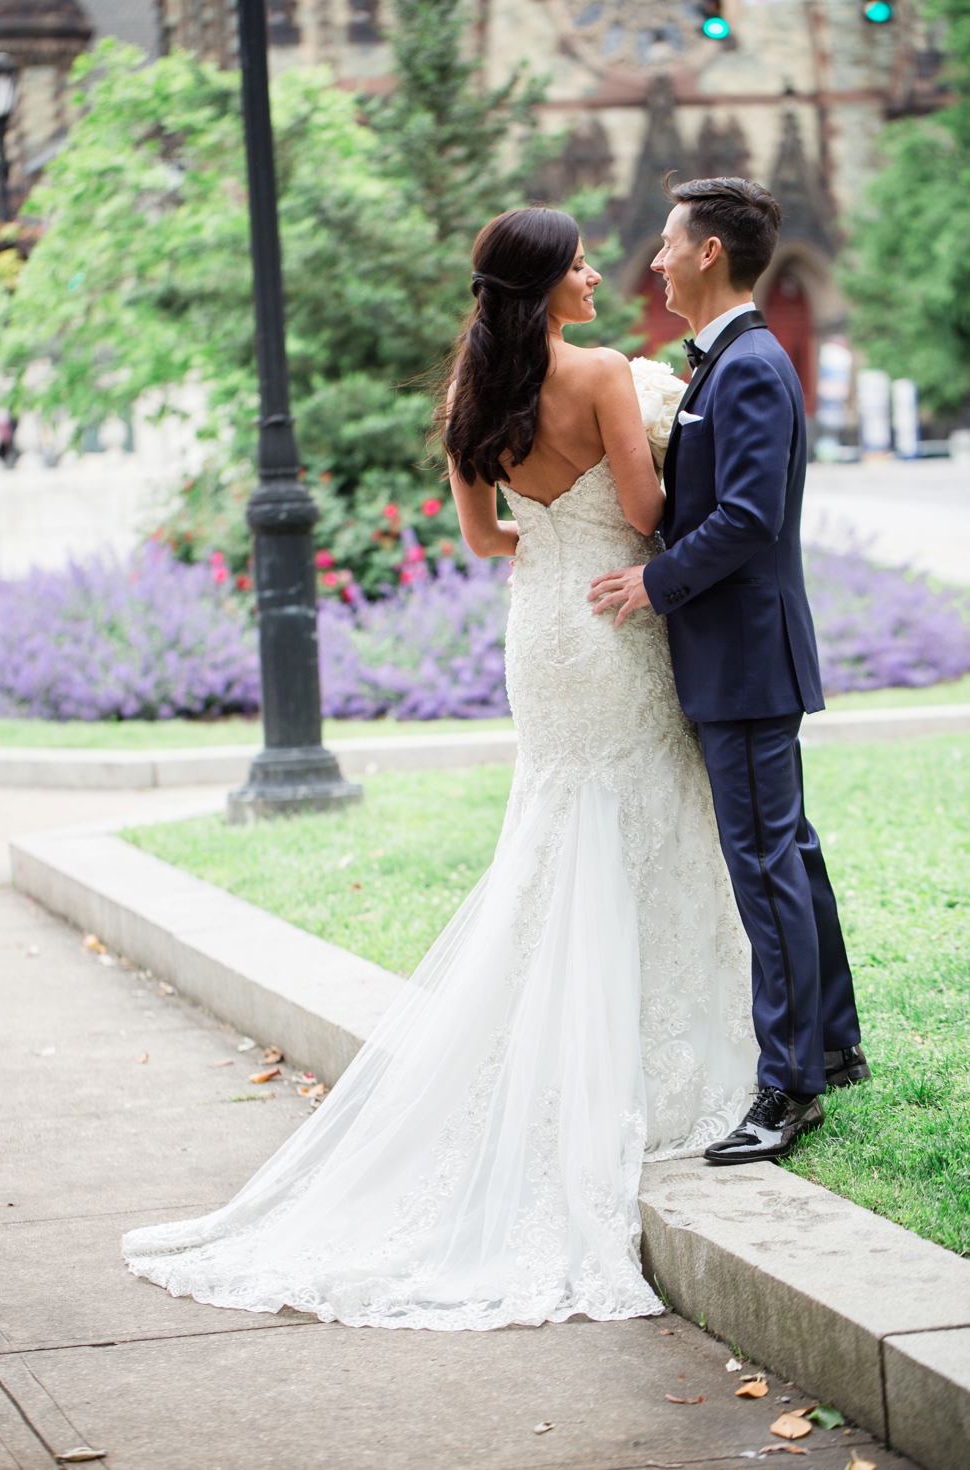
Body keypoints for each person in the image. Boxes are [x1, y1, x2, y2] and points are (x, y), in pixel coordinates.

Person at [122, 206, 758, 1330]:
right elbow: (652, 512)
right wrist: (646, 458)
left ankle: (559, 1059)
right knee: (649, 817)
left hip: (543, 630)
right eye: (579, 265)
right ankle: (660, 1069)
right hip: (614, 622)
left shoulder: (472, 398)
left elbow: (480, 541)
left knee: (558, 829)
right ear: (546, 285)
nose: (598, 274)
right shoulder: (609, 372)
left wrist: (556, 541)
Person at [589, 178, 870, 1166]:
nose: (655, 260)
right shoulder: (728, 362)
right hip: (742, 654)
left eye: (668, 244)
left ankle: (788, 1087)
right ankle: (831, 1045)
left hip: (743, 657)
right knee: (785, 849)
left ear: (708, 252)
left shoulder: (748, 366)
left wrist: (652, 581)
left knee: (763, 864)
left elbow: (748, 518)